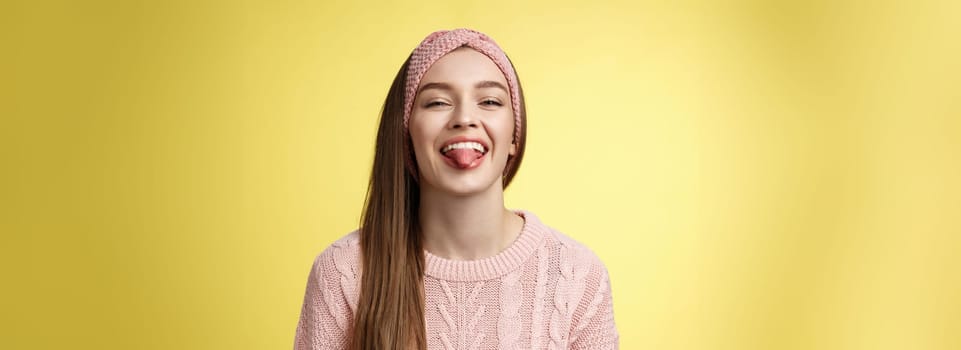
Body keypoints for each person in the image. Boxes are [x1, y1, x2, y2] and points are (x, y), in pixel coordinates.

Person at [293, 28, 619, 350]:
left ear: (514, 137)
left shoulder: (577, 277)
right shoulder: (343, 273)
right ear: (406, 134)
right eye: (437, 102)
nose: (464, 118)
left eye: (489, 101)